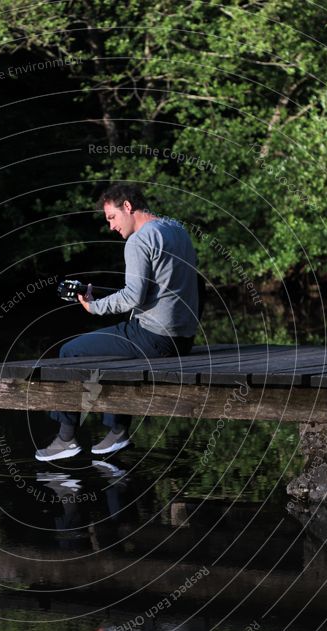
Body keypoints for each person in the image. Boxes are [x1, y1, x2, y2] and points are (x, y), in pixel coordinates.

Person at [36, 182, 199, 461]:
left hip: (155, 338)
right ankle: (117, 432)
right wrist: (102, 295)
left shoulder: (139, 240)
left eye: (111, 217)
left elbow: (134, 297)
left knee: (69, 351)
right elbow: (160, 289)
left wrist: (94, 307)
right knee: (114, 350)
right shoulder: (177, 230)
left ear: (127, 207)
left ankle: (66, 439)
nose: (111, 227)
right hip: (182, 339)